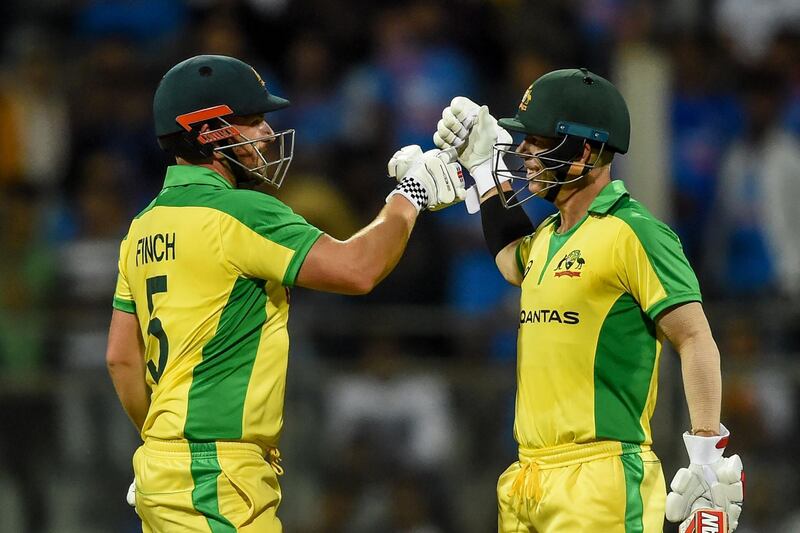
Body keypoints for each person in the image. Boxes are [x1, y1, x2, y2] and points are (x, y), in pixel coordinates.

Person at [105, 54, 465, 533]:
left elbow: (121, 359)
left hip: (165, 468)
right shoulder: (241, 211)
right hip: (217, 474)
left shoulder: (142, 227)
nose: (268, 134)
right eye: (252, 121)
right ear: (208, 131)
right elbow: (358, 269)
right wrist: (408, 197)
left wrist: (162, 444)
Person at [433, 69, 744, 532]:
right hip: (527, 479)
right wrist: (481, 171)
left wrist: (704, 454)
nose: (523, 153)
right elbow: (507, 259)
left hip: (602, 482)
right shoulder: (547, 237)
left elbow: (695, 336)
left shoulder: (635, 231)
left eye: (538, 141)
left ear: (584, 151)